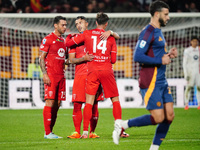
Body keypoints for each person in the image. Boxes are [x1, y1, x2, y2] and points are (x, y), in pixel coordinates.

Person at [112, 1, 178, 149]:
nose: (168, 17)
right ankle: (122, 124)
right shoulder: (147, 32)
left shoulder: (158, 31)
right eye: (166, 14)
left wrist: (168, 55)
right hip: (150, 81)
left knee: (169, 116)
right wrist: (160, 59)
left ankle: (154, 148)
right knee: (158, 117)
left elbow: (156, 55)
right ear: (157, 14)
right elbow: (137, 56)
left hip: (161, 81)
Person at [66, 16, 129, 138]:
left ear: (93, 23)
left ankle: (85, 132)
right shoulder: (110, 37)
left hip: (92, 71)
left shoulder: (87, 34)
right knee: (115, 100)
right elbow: (114, 60)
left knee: (89, 103)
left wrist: (70, 37)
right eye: (76, 23)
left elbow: (68, 43)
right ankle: (120, 131)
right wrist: (110, 33)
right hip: (106, 70)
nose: (78, 25)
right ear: (106, 24)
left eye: (80, 22)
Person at [39, 16, 67, 139]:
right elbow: (41, 58)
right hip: (51, 74)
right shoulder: (48, 39)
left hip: (61, 75)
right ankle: (47, 133)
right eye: (62, 25)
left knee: (58, 103)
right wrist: (44, 73)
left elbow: (62, 59)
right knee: (50, 101)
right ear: (55, 25)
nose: (65, 27)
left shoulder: (64, 41)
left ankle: (50, 132)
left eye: (66, 25)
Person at [183, 36, 200, 110]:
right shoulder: (187, 50)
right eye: (193, 41)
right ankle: (186, 104)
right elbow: (184, 63)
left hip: (198, 72)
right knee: (188, 88)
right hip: (190, 72)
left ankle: (199, 104)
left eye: (196, 41)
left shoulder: (199, 50)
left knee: (199, 88)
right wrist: (186, 73)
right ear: (191, 42)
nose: (195, 42)